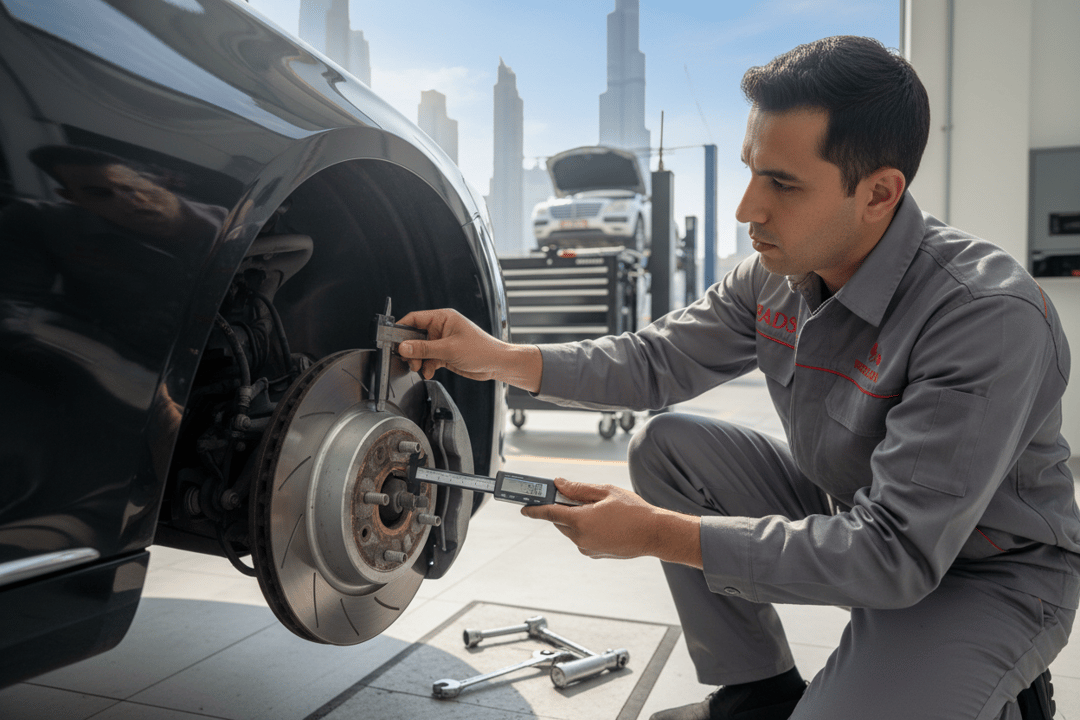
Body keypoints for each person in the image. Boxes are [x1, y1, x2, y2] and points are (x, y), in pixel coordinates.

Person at [397, 36, 1079, 720]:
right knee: (667, 448)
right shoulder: (775, 276)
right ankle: (758, 691)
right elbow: (653, 361)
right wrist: (499, 358)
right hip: (854, 511)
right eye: (753, 170)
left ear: (879, 193)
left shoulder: (985, 315)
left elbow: (894, 552)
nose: (747, 208)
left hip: (984, 570)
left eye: (782, 183)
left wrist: (656, 533)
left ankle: (996, 691)